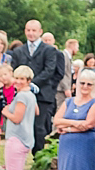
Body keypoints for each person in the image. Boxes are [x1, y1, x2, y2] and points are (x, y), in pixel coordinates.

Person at [20, 20, 67, 150]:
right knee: (23, 126)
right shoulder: (19, 51)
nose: (30, 33)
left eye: (34, 30)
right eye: (28, 30)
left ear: (40, 32)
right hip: (22, 95)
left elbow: (50, 70)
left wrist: (32, 84)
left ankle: (38, 156)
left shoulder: (49, 50)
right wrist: (23, 85)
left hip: (43, 94)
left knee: (38, 127)